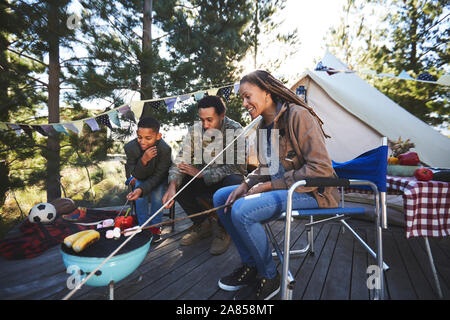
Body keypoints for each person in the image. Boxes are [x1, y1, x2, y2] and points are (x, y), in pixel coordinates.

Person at [213, 70, 340, 300]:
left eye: (248, 96)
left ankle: (269, 276)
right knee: (222, 197)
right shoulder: (262, 126)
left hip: (311, 192)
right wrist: (246, 183)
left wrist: (271, 186)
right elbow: (265, 168)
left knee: (242, 211)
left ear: (267, 92)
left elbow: (321, 168)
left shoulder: (298, 116)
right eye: (242, 98)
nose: (244, 103)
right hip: (284, 189)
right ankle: (251, 266)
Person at [162, 95, 247, 255]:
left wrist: (203, 174)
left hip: (223, 180)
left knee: (234, 180)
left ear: (222, 116)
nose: (205, 125)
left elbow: (237, 167)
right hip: (201, 179)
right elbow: (181, 159)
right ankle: (202, 224)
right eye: (202, 120)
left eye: (210, 120)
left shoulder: (235, 130)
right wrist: (172, 185)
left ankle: (223, 228)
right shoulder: (194, 131)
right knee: (178, 180)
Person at [125, 116, 172, 242]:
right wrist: (144, 160)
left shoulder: (165, 149)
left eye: (148, 138)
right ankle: (143, 226)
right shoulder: (130, 148)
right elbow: (133, 173)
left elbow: (159, 175)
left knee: (157, 195)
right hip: (141, 177)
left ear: (158, 136)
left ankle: (155, 227)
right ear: (137, 134)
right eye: (140, 137)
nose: (143, 142)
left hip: (159, 178)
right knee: (139, 196)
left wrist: (142, 188)